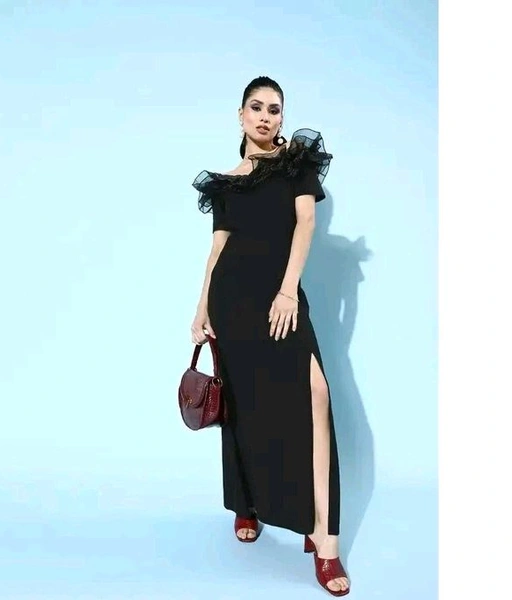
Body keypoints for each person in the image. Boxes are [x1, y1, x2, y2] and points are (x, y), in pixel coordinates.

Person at [190, 76, 350, 596]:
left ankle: (324, 539)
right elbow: (217, 250)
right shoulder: (224, 184)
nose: (265, 116)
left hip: (280, 298)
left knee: (315, 395)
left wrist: (287, 292)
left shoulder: (296, 163)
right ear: (240, 115)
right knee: (243, 403)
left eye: (274, 109)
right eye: (255, 107)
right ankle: (247, 504)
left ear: (282, 117)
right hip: (231, 303)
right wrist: (201, 307)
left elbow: (305, 224)